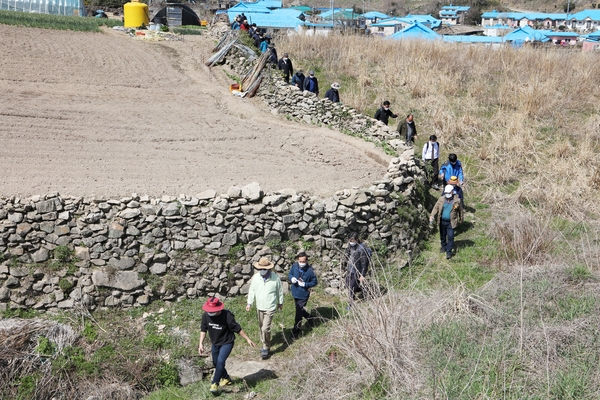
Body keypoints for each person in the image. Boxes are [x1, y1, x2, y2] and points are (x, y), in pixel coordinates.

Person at [199, 297, 256, 395]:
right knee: (216, 363)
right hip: (215, 343)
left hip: (227, 342)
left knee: (221, 361)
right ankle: (226, 378)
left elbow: (237, 329)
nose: (210, 313)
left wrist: (247, 339)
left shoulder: (227, 316)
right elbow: (203, 330)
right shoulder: (206, 316)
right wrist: (201, 343)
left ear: (218, 309)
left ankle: (215, 383)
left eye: (212, 311)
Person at [246, 257, 284, 360]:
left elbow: (279, 290)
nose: (262, 270)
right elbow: (252, 290)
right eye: (260, 269)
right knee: (261, 326)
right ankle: (264, 344)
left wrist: (280, 302)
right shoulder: (256, 278)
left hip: (270, 306)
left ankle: (266, 348)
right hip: (259, 306)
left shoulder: (275, 278)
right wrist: (249, 303)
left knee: (265, 328)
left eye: (264, 269)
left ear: (268, 269)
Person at [288, 251, 317, 339]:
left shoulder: (310, 270)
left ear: (307, 261)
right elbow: (290, 274)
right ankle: (310, 317)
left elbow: (315, 282)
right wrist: (291, 278)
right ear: (298, 260)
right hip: (295, 292)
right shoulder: (294, 266)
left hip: (303, 294)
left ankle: (295, 333)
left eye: (303, 261)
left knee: (298, 314)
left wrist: (305, 284)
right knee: (299, 310)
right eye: (300, 261)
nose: (302, 263)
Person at [429, 185, 463, 260]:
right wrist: (432, 215)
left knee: (450, 236)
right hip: (442, 221)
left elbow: (460, 210)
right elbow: (436, 207)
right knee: (443, 235)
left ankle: (449, 252)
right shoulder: (441, 199)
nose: (447, 194)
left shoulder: (457, 200)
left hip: (451, 222)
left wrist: (461, 219)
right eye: (446, 192)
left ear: (452, 192)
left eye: (448, 192)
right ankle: (444, 246)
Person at [342, 232, 371, 305]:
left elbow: (364, 263)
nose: (351, 242)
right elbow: (348, 254)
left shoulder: (361, 249)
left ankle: (350, 303)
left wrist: (362, 275)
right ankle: (361, 289)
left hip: (357, 271)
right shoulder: (350, 246)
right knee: (347, 283)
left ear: (357, 240)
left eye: (352, 241)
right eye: (350, 240)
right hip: (350, 269)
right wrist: (344, 264)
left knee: (351, 287)